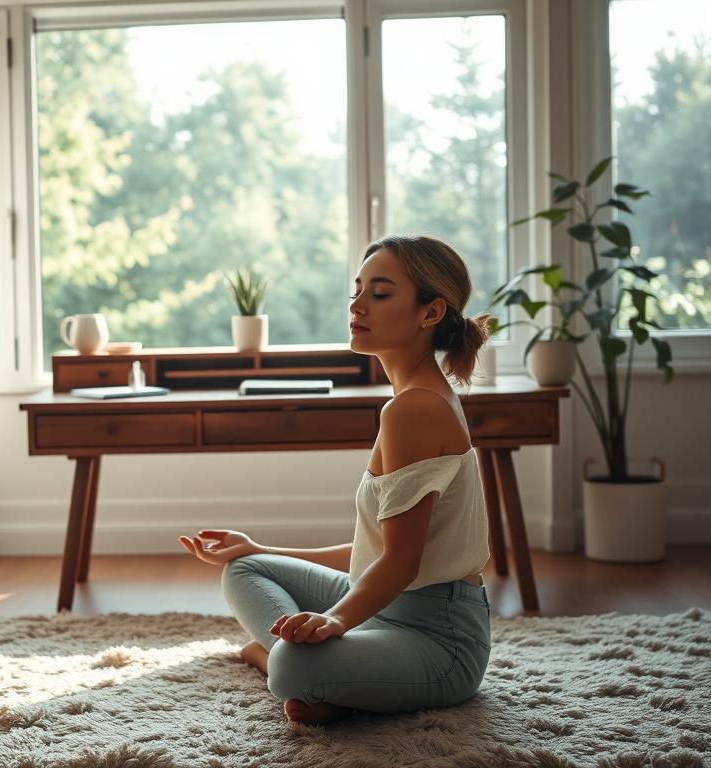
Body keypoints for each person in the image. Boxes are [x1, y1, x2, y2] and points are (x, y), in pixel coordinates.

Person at [178, 234, 496, 726]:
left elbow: (402, 562)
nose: (358, 305)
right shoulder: (408, 399)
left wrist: (336, 621)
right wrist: (257, 547)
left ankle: (274, 660)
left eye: (380, 293)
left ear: (430, 312)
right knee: (245, 569)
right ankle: (336, 680)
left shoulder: (416, 409)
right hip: (384, 604)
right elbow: (372, 551)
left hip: (440, 642)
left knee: (289, 663)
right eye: (358, 290)